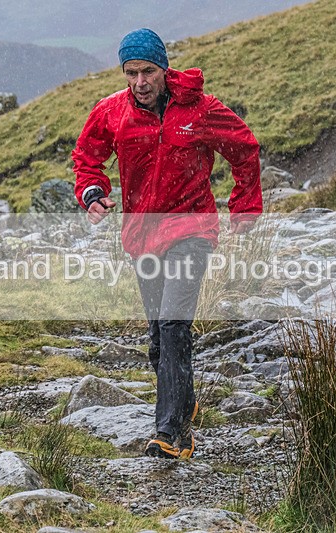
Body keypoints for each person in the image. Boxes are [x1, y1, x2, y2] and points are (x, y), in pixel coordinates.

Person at [72, 28, 262, 459]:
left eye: (148, 71)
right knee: (159, 337)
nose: (140, 82)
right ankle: (184, 400)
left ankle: (172, 434)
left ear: (164, 69)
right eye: (132, 73)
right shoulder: (112, 113)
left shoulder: (200, 110)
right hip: (142, 235)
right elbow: (87, 156)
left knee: (175, 323)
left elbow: (245, 149)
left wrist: (245, 206)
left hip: (192, 229)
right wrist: (92, 191)